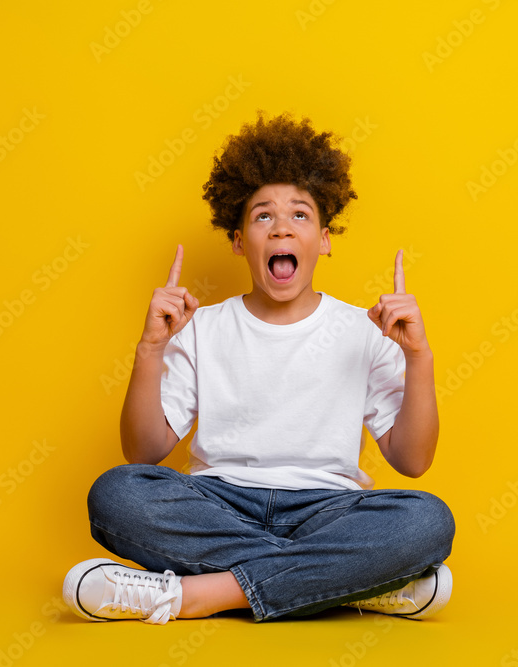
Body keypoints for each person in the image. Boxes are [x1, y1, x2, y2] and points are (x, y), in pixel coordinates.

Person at [63, 111, 455, 625]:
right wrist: (150, 349)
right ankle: (344, 584)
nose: (281, 229)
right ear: (238, 240)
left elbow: (413, 460)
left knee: (427, 521)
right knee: (116, 493)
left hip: (328, 512)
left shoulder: (367, 329)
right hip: (219, 502)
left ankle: (194, 596)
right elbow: (143, 452)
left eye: (300, 215)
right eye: (263, 216)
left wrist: (418, 356)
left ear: (324, 238)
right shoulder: (201, 327)